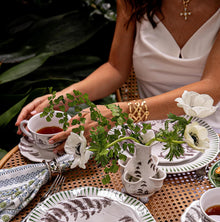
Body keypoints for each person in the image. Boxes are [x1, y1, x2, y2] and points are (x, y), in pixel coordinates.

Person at [16, 0, 220, 153]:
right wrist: (64, 97)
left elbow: (212, 87)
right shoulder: (133, 1)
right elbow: (116, 68)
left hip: (212, 134)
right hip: (146, 137)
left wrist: (121, 113)